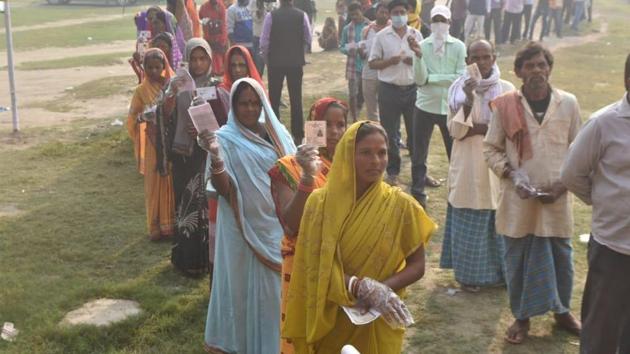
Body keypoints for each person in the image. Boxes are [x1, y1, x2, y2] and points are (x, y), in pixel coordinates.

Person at [283, 121, 436, 354]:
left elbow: (417, 265)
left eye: (382, 153)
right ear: (347, 155)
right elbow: (313, 261)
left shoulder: (401, 206)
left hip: (376, 317)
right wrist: (358, 286)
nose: (376, 161)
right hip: (331, 314)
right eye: (365, 153)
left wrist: (381, 291)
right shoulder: (320, 203)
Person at [483, 42, 582, 344]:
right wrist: (513, 175)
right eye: (530, 66)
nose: (537, 70)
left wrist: (562, 186)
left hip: (557, 199)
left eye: (542, 65)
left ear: (550, 68)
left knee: (561, 258)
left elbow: (579, 151)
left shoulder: (568, 103)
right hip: (518, 199)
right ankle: (522, 317)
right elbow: (491, 148)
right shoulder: (505, 105)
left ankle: (562, 312)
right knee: (518, 261)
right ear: (519, 72)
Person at [200, 78, 296, 354]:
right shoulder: (225, 139)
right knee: (241, 291)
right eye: (244, 103)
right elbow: (224, 189)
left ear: (263, 104)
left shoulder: (279, 135)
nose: (250, 109)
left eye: (255, 103)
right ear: (234, 105)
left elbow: (293, 174)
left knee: (273, 296)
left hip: (278, 227)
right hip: (241, 230)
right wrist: (216, 157)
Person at [560, 54, 630, 354]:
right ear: (628, 79)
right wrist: (600, 199)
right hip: (614, 246)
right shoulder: (604, 123)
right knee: (602, 331)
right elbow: (571, 173)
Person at [269, 97, 349, 354]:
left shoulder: (351, 167)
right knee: (303, 335)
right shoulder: (289, 167)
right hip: (303, 264)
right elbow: (291, 226)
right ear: (314, 126)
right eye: (327, 125)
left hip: (342, 266)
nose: (335, 132)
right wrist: (307, 177)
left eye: (341, 124)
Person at [440, 39, 514, 291]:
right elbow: (456, 130)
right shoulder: (457, 89)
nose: (480, 63)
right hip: (468, 164)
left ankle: (500, 275)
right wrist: (469, 101)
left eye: (485, 57)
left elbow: (510, 130)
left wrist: (478, 129)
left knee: (498, 218)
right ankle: (470, 277)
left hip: (497, 165)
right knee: (469, 213)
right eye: (475, 58)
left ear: (494, 58)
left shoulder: (507, 90)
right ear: (467, 61)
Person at [166, 39, 222, 276]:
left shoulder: (216, 86)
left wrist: (202, 130)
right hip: (183, 156)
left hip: (205, 155)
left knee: (201, 205)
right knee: (184, 205)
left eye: (203, 59)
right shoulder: (178, 84)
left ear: (210, 60)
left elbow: (224, 121)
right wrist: (170, 96)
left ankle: (203, 260)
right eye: (195, 59)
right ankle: (184, 258)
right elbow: (165, 117)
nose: (199, 64)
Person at [408, 5, 466, 208]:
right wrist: (417, 56)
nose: (439, 24)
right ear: (431, 23)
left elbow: (459, 78)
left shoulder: (459, 46)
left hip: (449, 107)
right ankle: (417, 193)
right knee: (419, 154)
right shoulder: (422, 46)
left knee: (455, 154)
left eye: (443, 20)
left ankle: (457, 193)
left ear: (449, 23)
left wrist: (433, 78)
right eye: (436, 20)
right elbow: (420, 79)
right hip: (424, 106)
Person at [368, 0, 423, 187]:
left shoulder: (416, 34)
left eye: (402, 12)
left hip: (412, 90)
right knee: (389, 133)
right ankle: (392, 172)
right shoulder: (382, 36)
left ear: (408, 13)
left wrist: (413, 60)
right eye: (396, 12)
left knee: (415, 132)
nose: (399, 15)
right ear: (390, 15)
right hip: (389, 90)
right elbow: (372, 63)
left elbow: (424, 60)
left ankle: (419, 173)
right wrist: (390, 61)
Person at [126, 48, 176, 241]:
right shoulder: (141, 90)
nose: (154, 71)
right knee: (153, 184)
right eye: (150, 67)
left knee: (169, 180)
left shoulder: (170, 86)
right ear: (144, 68)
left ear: (164, 67)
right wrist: (142, 118)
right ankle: (154, 225)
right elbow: (131, 118)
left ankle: (170, 223)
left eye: (158, 67)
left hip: (169, 141)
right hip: (152, 142)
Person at [260, 0, 312, 144]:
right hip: (295, 62)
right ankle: (298, 134)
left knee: (274, 99)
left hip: (275, 63)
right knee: (296, 99)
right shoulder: (302, 15)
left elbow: (264, 42)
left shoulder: (271, 16)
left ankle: (275, 131)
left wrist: (267, 59)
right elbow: (308, 37)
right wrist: (300, 53)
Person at [217, 45, 265, 122]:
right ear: (228, 67)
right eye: (233, 65)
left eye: (241, 65)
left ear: (248, 67)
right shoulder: (222, 91)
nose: (237, 70)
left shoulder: (256, 88)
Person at [341, 2, 371, 122]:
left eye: (356, 14)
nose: (354, 17)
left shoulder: (370, 26)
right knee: (352, 94)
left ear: (362, 11)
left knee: (368, 93)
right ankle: (354, 118)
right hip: (353, 66)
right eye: (352, 15)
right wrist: (349, 49)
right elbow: (341, 46)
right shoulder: (347, 29)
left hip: (368, 65)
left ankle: (369, 115)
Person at [361, 3, 390, 121]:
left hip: (387, 75)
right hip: (369, 74)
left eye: (386, 12)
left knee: (387, 108)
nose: (383, 15)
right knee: (371, 108)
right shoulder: (367, 30)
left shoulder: (392, 30)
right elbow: (362, 53)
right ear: (375, 13)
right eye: (381, 12)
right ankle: (373, 134)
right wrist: (360, 51)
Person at [199, 0, 229, 76]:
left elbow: (224, 24)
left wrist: (223, 39)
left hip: (220, 39)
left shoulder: (221, 6)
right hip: (209, 39)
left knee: (221, 63)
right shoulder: (204, 7)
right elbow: (202, 20)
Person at [250, 0, 275, 75]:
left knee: (272, 65)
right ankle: (258, 82)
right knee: (259, 65)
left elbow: (273, 16)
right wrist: (261, 8)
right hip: (258, 36)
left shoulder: (271, 3)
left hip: (270, 37)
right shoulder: (254, 2)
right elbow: (257, 18)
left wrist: (268, 7)